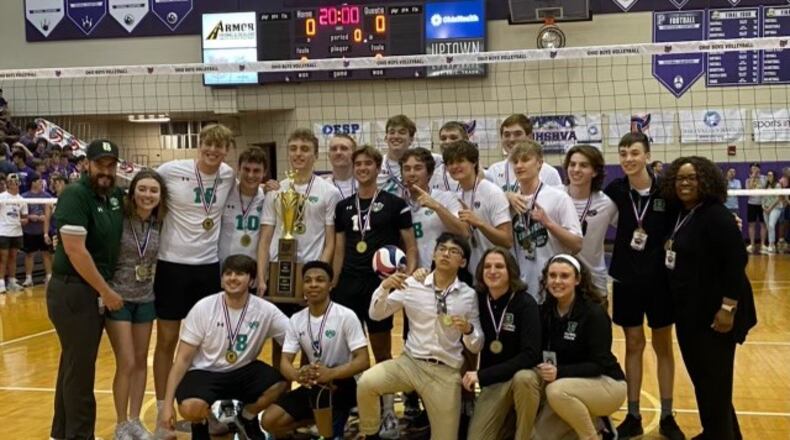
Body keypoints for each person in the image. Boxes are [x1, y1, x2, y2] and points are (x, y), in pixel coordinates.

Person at [661, 157, 757, 440]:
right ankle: (722, 433)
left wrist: (727, 308)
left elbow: (736, 262)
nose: (685, 183)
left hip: (716, 317)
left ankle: (718, 433)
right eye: (680, 178)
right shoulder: (680, 212)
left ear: (706, 180)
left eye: (692, 177)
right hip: (690, 314)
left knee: (714, 384)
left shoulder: (717, 215)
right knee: (707, 385)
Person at [357, 233, 483, 440]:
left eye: (454, 251)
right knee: (367, 383)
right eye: (441, 249)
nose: (445, 254)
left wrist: (469, 330)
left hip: (445, 371)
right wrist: (384, 287)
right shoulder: (413, 285)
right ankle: (371, 434)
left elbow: (477, 345)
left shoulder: (468, 296)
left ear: (463, 262)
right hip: (410, 364)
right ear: (433, 255)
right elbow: (376, 314)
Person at [152, 123, 236, 434]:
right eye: (208, 146)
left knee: (209, 343)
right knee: (167, 341)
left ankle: (206, 409)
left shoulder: (228, 174)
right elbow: (144, 189)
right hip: (171, 266)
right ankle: (163, 412)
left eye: (219, 147)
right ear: (198, 145)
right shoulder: (172, 170)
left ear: (226, 149)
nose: (213, 151)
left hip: (207, 267)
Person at [331, 145, 417, 438]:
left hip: (379, 287)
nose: (363, 168)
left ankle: (389, 412)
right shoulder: (343, 207)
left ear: (378, 168)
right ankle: (359, 406)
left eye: (368, 163)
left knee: (381, 351)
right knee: (350, 352)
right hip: (348, 287)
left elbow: (411, 246)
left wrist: (408, 277)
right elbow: (340, 250)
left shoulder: (395, 204)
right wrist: (334, 282)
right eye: (359, 164)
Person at [604, 132, 684, 440]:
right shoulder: (616, 189)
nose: (627, 159)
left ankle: (667, 415)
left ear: (647, 156)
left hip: (661, 282)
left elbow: (691, 215)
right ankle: (634, 414)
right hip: (626, 279)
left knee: (663, 346)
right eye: (623, 153)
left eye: (634, 153)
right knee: (633, 345)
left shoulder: (667, 189)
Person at [158, 255, 290, 440]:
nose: (233, 278)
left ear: (252, 281)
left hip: (242, 370)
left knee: (279, 384)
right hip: (205, 371)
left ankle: (247, 417)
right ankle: (200, 425)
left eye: (240, 274)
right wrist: (166, 405)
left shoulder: (265, 310)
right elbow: (182, 360)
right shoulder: (203, 308)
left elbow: (294, 336)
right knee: (190, 408)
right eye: (228, 273)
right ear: (221, 280)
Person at [47, 140, 125, 439]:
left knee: (72, 363)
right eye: (99, 165)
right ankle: (80, 435)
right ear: (86, 165)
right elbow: (76, 252)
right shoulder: (75, 195)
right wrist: (105, 291)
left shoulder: (113, 195)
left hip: (91, 290)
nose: (105, 171)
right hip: (73, 292)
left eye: (111, 165)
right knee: (81, 369)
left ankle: (61, 432)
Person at [261, 261, 370, 439]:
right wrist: (298, 376)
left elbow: (363, 360)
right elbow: (285, 362)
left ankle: (331, 430)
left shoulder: (346, 316)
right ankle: (321, 423)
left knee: (321, 391)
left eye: (320, 280)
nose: (313, 284)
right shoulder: (296, 320)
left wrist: (331, 373)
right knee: (269, 421)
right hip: (315, 380)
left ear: (330, 285)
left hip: (345, 382)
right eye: (308, 280)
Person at [532, 254, 626, 440]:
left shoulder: (594, 313)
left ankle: (594, 434)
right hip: (568, 383)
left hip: (606, 383)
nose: (557, 281)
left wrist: (559, 372)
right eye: (552, 276)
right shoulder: (545, 311)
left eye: (564, 276)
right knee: (537, 436)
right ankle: (597, 422)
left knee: (556, 392)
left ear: (578, 280)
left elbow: (598, 365)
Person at [105, 169, 167, 440]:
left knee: (142, 360)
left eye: (153, 190)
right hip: (118, 298)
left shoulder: (159, 223)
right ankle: (120, 423)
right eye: (142, 189)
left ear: (160, 196)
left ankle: (134, 420)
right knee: (127, 362)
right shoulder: (119, 219)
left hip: (145, 299)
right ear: (132, 192)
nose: (147, 195)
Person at [463, 247, 542, 440]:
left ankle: (523, 436)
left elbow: (530, 355)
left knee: (524, 378)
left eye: (499, 266)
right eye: (487, 266)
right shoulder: (478, 299)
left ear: (511, 272)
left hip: (521, 378)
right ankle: (507, 424)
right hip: (495, 383)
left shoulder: (525, 303)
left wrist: (481, 375)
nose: (492, 271)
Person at [508, 141, 582, 301]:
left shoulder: (559, 197)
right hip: (522, 287)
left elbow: (577, 244)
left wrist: (548, 223)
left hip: (554, 286)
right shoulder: (510, 200)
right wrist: (505, 196)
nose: (519, 165)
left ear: (540, 163)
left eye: (525, 159)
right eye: (515, 161)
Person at [443, 139, 512, 277]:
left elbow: (507, 240)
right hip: (473, 273)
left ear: (474, 162)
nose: (455, 166)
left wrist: (479, 223)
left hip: (498, 272)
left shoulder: (492, 192)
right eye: (450, 163)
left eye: (460, 161)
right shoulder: (456, 196)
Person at [564, 145, 618, 296]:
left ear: (594, 172)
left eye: (583, 165)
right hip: (560, 279)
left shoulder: (606, 203)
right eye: (572, 164)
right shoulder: (556, 196)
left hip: (593, 281)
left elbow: (627, 227)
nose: (576, 169)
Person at [400, 147, 468, 267]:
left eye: (418, 168)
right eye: (407, 169)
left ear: (429, 173)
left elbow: (463, 232)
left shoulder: (446, 198)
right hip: (414, 277)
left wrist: (436, 206)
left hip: (442, 273)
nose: (411, 173)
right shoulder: (398, 205)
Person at [484, 114, 563, 197]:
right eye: (507, 135)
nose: (512, 139)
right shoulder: (494, 171)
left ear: (529, 137)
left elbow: (557, 204)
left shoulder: (549, 173)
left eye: (517, 134)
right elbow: (487, 202)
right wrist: (505, 197)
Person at [219, 147, 267, 263]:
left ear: (264, 172)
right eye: (246, 169)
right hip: (224, 268)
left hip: (253, 269)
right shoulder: (226, 193)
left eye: (256, 171)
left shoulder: (267, 198)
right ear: (238, 169)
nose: (250, 175)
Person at [21, 173, 52, 287]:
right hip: (30, 230)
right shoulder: (24, 197)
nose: (41, 184)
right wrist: (30, 216)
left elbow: (51, 211)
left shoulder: (47, 196)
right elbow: (20, 213)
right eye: (39, 181)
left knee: (46, 253)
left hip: (43, 229)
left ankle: (49, 276)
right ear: (33, 182)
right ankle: (28, 278)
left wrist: (46, 216)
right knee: (29, 254)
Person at [0, 173, 29, 293]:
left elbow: (25, 218)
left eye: (17, 182)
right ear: (8, 183)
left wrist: (22, 221)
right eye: (12, 182)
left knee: (13, 257)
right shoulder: (1, 197)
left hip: (17, 232)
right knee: (3, 258)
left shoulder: (22, 200)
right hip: (3, 231)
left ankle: (12, 281)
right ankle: (1, 282)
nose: (15, 184)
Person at [378, 114, 416, 196]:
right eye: (392, 132)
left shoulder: (423, 163)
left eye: (402, 132)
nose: (396, 136)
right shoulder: (376, 164)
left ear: (411, 139)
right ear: (385, 138)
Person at [429, 121, 468, 192]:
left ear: (465, 140)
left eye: (453, 138)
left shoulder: (478, 173)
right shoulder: (432, 175)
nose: (447, 142)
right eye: (443, 138)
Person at [325, 134, 358, 198]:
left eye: (344, 148)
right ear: (329, 155)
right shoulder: (322, 186)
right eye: (334, 149)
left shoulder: (365, 184)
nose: (338, 152)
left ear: (354, 154)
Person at [745, 162, 766, 254]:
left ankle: (762, 244)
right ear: (750, 170)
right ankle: (752, 244)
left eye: (756, 168)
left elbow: (764, 188)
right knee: (751, 224)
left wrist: (758, 176)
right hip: (752, 204)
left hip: (762, 204)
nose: (755, 170)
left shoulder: (764, 178)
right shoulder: (748, 179)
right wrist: (753, 176)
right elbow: (749, 190)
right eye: (753, 168)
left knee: (763, 224)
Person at [761, 170, 783, 255]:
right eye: (768, 175)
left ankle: (771, 244)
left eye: (770, 175)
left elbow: (778, 198)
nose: (768, 177)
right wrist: (763, 206)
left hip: (775, 208)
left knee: (771, 225)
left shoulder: (777, 185)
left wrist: (770, 208)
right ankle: (771, 244)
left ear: (774, 176)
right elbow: (762, 197)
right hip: (766, 208)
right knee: (768, 226)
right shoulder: (766, 186)